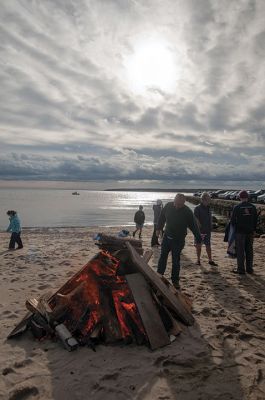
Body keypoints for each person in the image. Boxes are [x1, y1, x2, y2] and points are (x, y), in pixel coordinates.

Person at [156, 193, 202, 289]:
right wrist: (158, 228)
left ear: (184, 203)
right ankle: (159, 276)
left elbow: (194, 226)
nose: (177, 206)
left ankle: (175, 281)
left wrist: (198, 240)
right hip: (166, 237)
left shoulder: (187, 212)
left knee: (176, 260)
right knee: (162, 257)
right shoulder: (168, 206)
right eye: (176, 203)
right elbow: (161, 217)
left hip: (178, 240)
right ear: (174, 200)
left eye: (179, 204)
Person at [230, 190, 258, 274]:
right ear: (248, 197)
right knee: (249, 250)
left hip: (240, 232)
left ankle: (241, 269)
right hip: (250, 232)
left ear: (240, 197)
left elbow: (232, 221)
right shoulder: (253, 207)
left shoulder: (237, 207)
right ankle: (249, 269)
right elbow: (255, 220)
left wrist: (235, 228)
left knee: (240, 251)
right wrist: (253, 229)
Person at [194, 192, 218, 266]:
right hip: (200, 231)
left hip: (207, 230)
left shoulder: (208, 208)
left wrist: (211, 225)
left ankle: (210, 260)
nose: (209, 201)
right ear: (203, 200)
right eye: (207, 199)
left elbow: (210, 218)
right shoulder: (197, 208)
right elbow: (195, 219)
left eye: (209, 199)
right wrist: (200, 227)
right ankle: (198, 260)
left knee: (208, 245)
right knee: (198, 246)